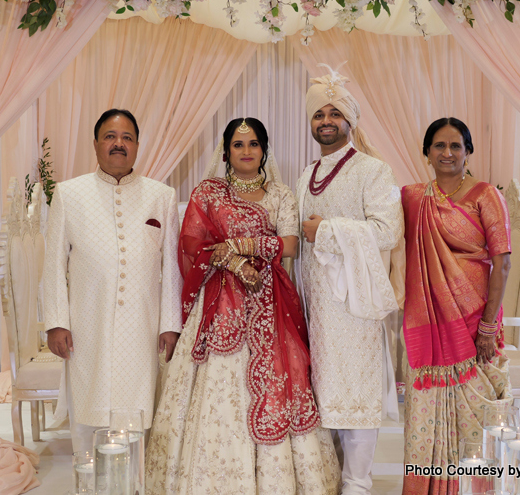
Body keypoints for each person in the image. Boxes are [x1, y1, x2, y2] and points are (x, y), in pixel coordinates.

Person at [146, 118, 340, 494]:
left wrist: (240, 247)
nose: (247, 151)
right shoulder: (208, 193)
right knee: (217, 387)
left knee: (281, 378)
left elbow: (291, 245)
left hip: (271, 299)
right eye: (238, 144)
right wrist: (233, 262)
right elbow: (191, 246)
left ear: (264, 149)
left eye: (253, 143)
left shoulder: (281, 194)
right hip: (219, 303)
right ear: (226, 151)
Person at [43, 108, 183, 452]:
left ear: (137, 146)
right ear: (95, 144)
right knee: (88, 406)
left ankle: (133, 484)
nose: (118, 144)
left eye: (127, 138)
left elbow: (174, 268)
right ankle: (90, 483)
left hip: (143, 325)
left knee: (138, 411)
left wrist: (170, 324)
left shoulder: (161, 196)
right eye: (110, 136)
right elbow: (52, 266)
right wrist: (56, 322)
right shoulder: (68, 194)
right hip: (87, 323)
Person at [296, 66, 403, 495]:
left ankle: (358, 485)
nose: (326, 121)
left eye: (334, 113)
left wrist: (326, 230)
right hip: (315, 309)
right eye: (319, 114)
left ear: (350, 121)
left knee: (355, 398)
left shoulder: (373, 171)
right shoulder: (306, 175)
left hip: (354, 308)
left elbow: (386, 232)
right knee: (326, 399)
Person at [401, 117, 512, 495]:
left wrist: (487, 326)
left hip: (473, 322)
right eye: (439, 146)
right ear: (427, 153)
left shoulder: (486, 195)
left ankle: (473, 489)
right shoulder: (413, 198)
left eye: (455, 146)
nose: (447, 153)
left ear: (468, 151)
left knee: (474, 421)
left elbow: (503, 262)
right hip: (429, 323)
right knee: (425, 412)